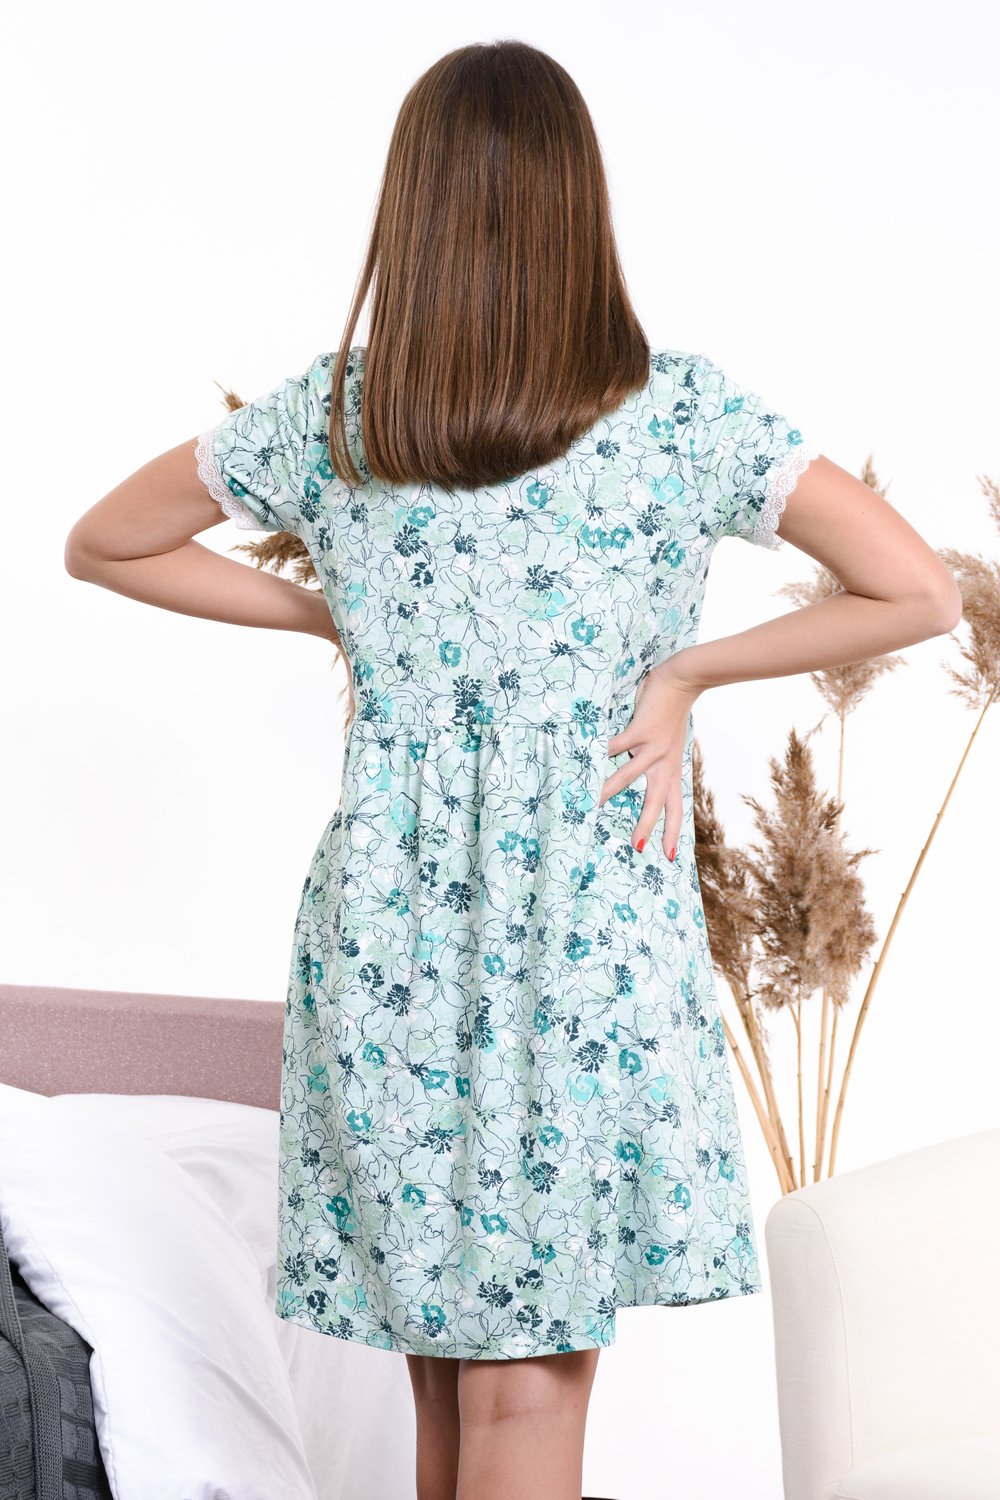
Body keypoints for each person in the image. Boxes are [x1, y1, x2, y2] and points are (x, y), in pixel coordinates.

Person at [65, 38, 960, 1500]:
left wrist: (335, 612)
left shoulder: (343, 415)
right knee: (526, 1402)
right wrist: (682, 672)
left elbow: (105, 542)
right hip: (581, 937)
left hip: (389, 936)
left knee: (448, 1404)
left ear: (410, 208)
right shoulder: (678, 416)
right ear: (576, 207)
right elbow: (917, 590)